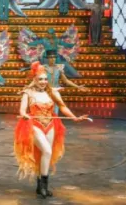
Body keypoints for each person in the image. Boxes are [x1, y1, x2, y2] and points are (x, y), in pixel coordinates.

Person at [14, 62, 91, 198]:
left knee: (45, 156)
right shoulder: (28, 93)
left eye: (45, 79)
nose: (43, 82)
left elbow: (62, 107)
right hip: (35, 125)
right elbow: (22, 110)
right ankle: (43, 186)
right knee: (47, 151)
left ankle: (41, 186)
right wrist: (25, 115)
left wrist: (74, 118)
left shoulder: (52, 92)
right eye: (40, 79)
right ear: (34, 79)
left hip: (50, 125)